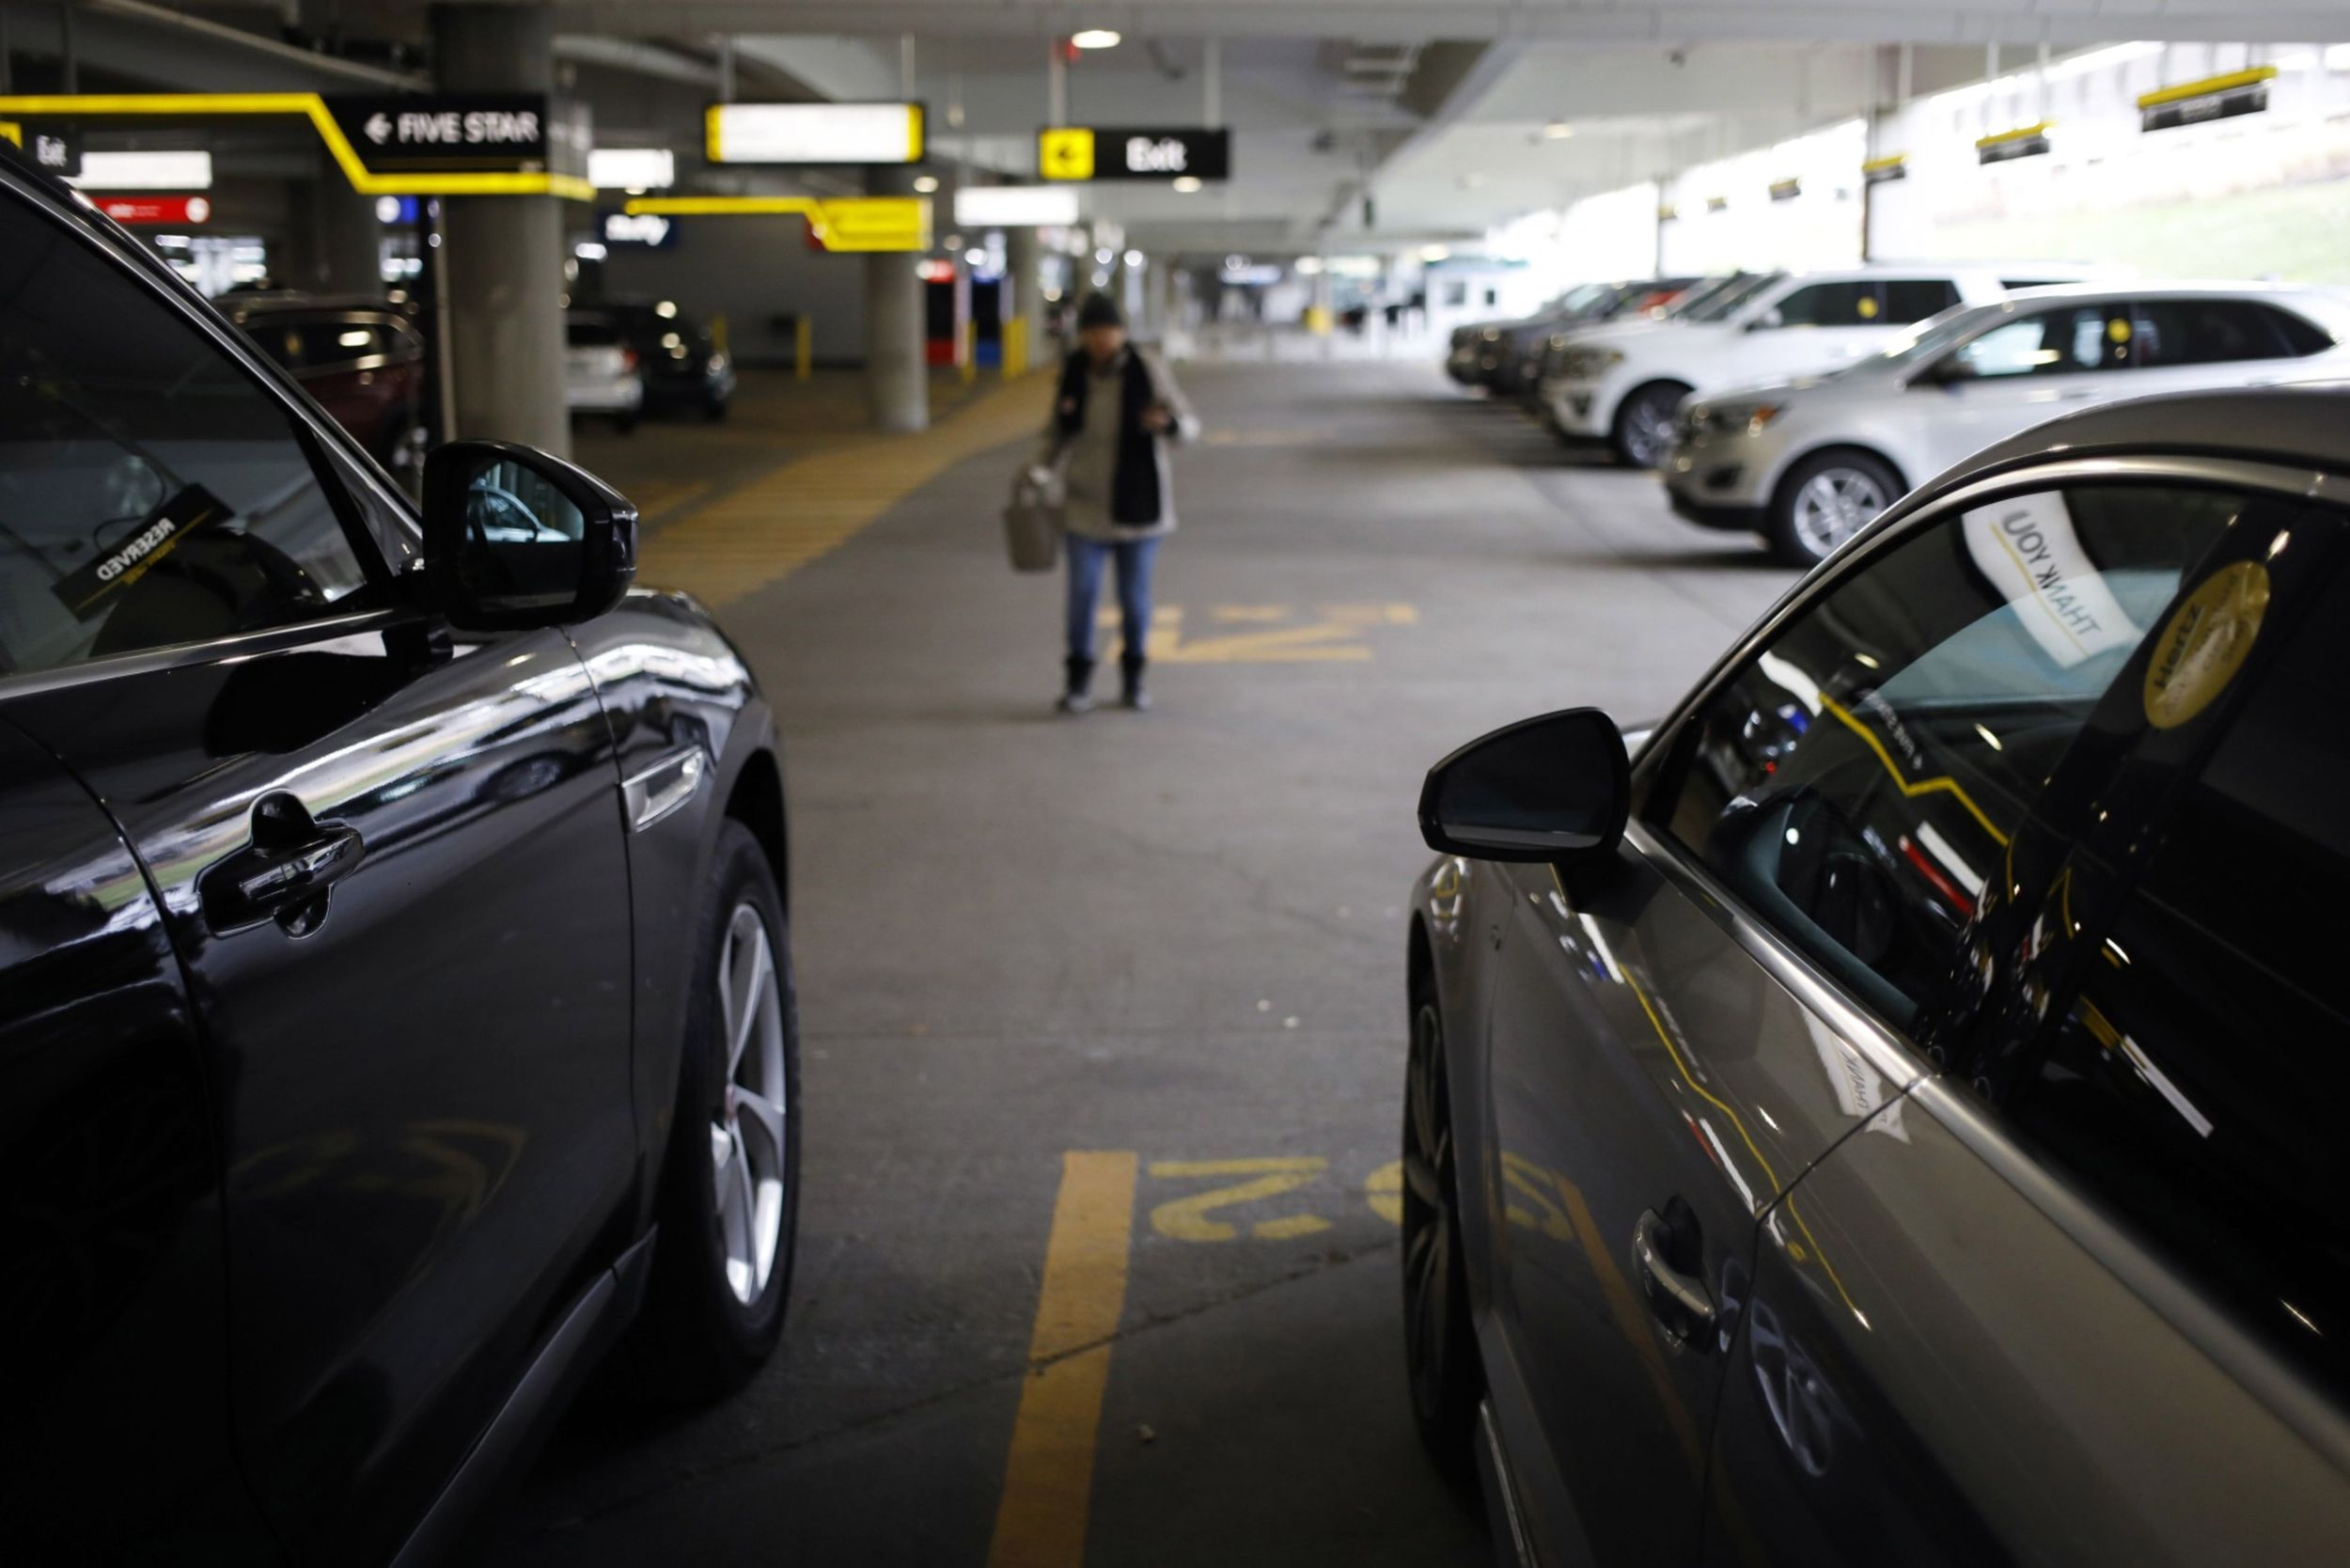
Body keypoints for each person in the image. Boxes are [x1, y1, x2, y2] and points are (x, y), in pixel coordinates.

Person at [1033, 292, 1198, 713]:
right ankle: (1077, 682)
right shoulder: (1074, 373)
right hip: (1084, 507)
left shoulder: (1147, 368)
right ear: (1083, 335)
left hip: (1140, 510)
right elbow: (1057, 433)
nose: (1101, 341)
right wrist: (1038, 472)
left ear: (1122, 333)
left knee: (1134, 601)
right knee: (1082, 597)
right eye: (1093, 333)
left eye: (1108, 332)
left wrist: (1169, 424)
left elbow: (1188, 426)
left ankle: (1133, 680)